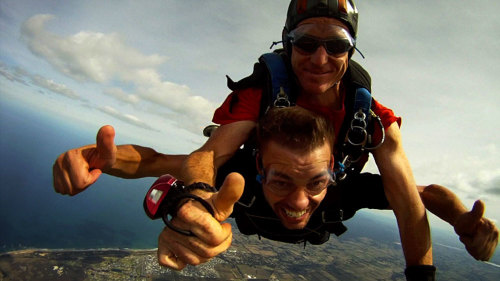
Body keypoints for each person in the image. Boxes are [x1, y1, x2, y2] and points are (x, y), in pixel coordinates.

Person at [52, 0, 498, 271]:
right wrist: (104, 160)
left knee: (388, 191)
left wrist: (459, 219)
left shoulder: (375, 120)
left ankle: (303, 177)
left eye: (337, 45)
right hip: (254, 189)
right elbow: (199, 156)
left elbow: (412, 199)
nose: (320, 58)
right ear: (287, 44)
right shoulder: (260, 95)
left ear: (351, 51)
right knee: (224, 169)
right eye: (306, 43)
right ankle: (283, 178)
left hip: (332, 189)